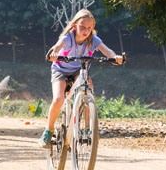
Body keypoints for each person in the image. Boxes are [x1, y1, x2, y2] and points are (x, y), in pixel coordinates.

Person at [41, 8, 122, 146]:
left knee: (88, 89)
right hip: (61, 70)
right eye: (82, 27)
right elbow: (56, 47)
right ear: (74, 26)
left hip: (79, 70)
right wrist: (54, 53)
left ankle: (86, 129)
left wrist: (115, 57)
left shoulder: (93, 40)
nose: (86, 30)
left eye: (89, 28)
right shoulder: (67, 38)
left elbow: (107, 51)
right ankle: (48, 131)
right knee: (58, 98)